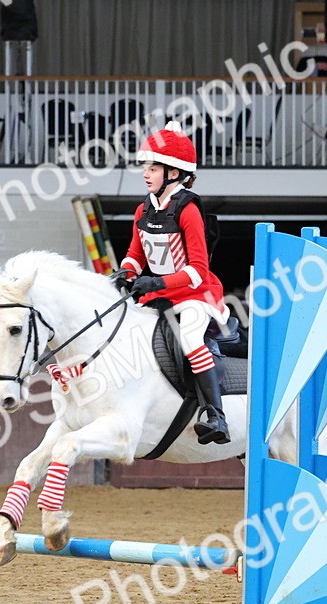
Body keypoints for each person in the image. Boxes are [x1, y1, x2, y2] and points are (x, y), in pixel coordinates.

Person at [119, 121, 231, 445]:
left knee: (192, 338)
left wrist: (155, 282)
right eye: (147, 167)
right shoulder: (143, 208)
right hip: (159, 295)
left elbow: (198, 268)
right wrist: (125, 273)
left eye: (153, 167)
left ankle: (216, 415)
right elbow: (134, 255)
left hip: (196, 294)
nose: (146, 173)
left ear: (173, 172)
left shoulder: (189, 209)